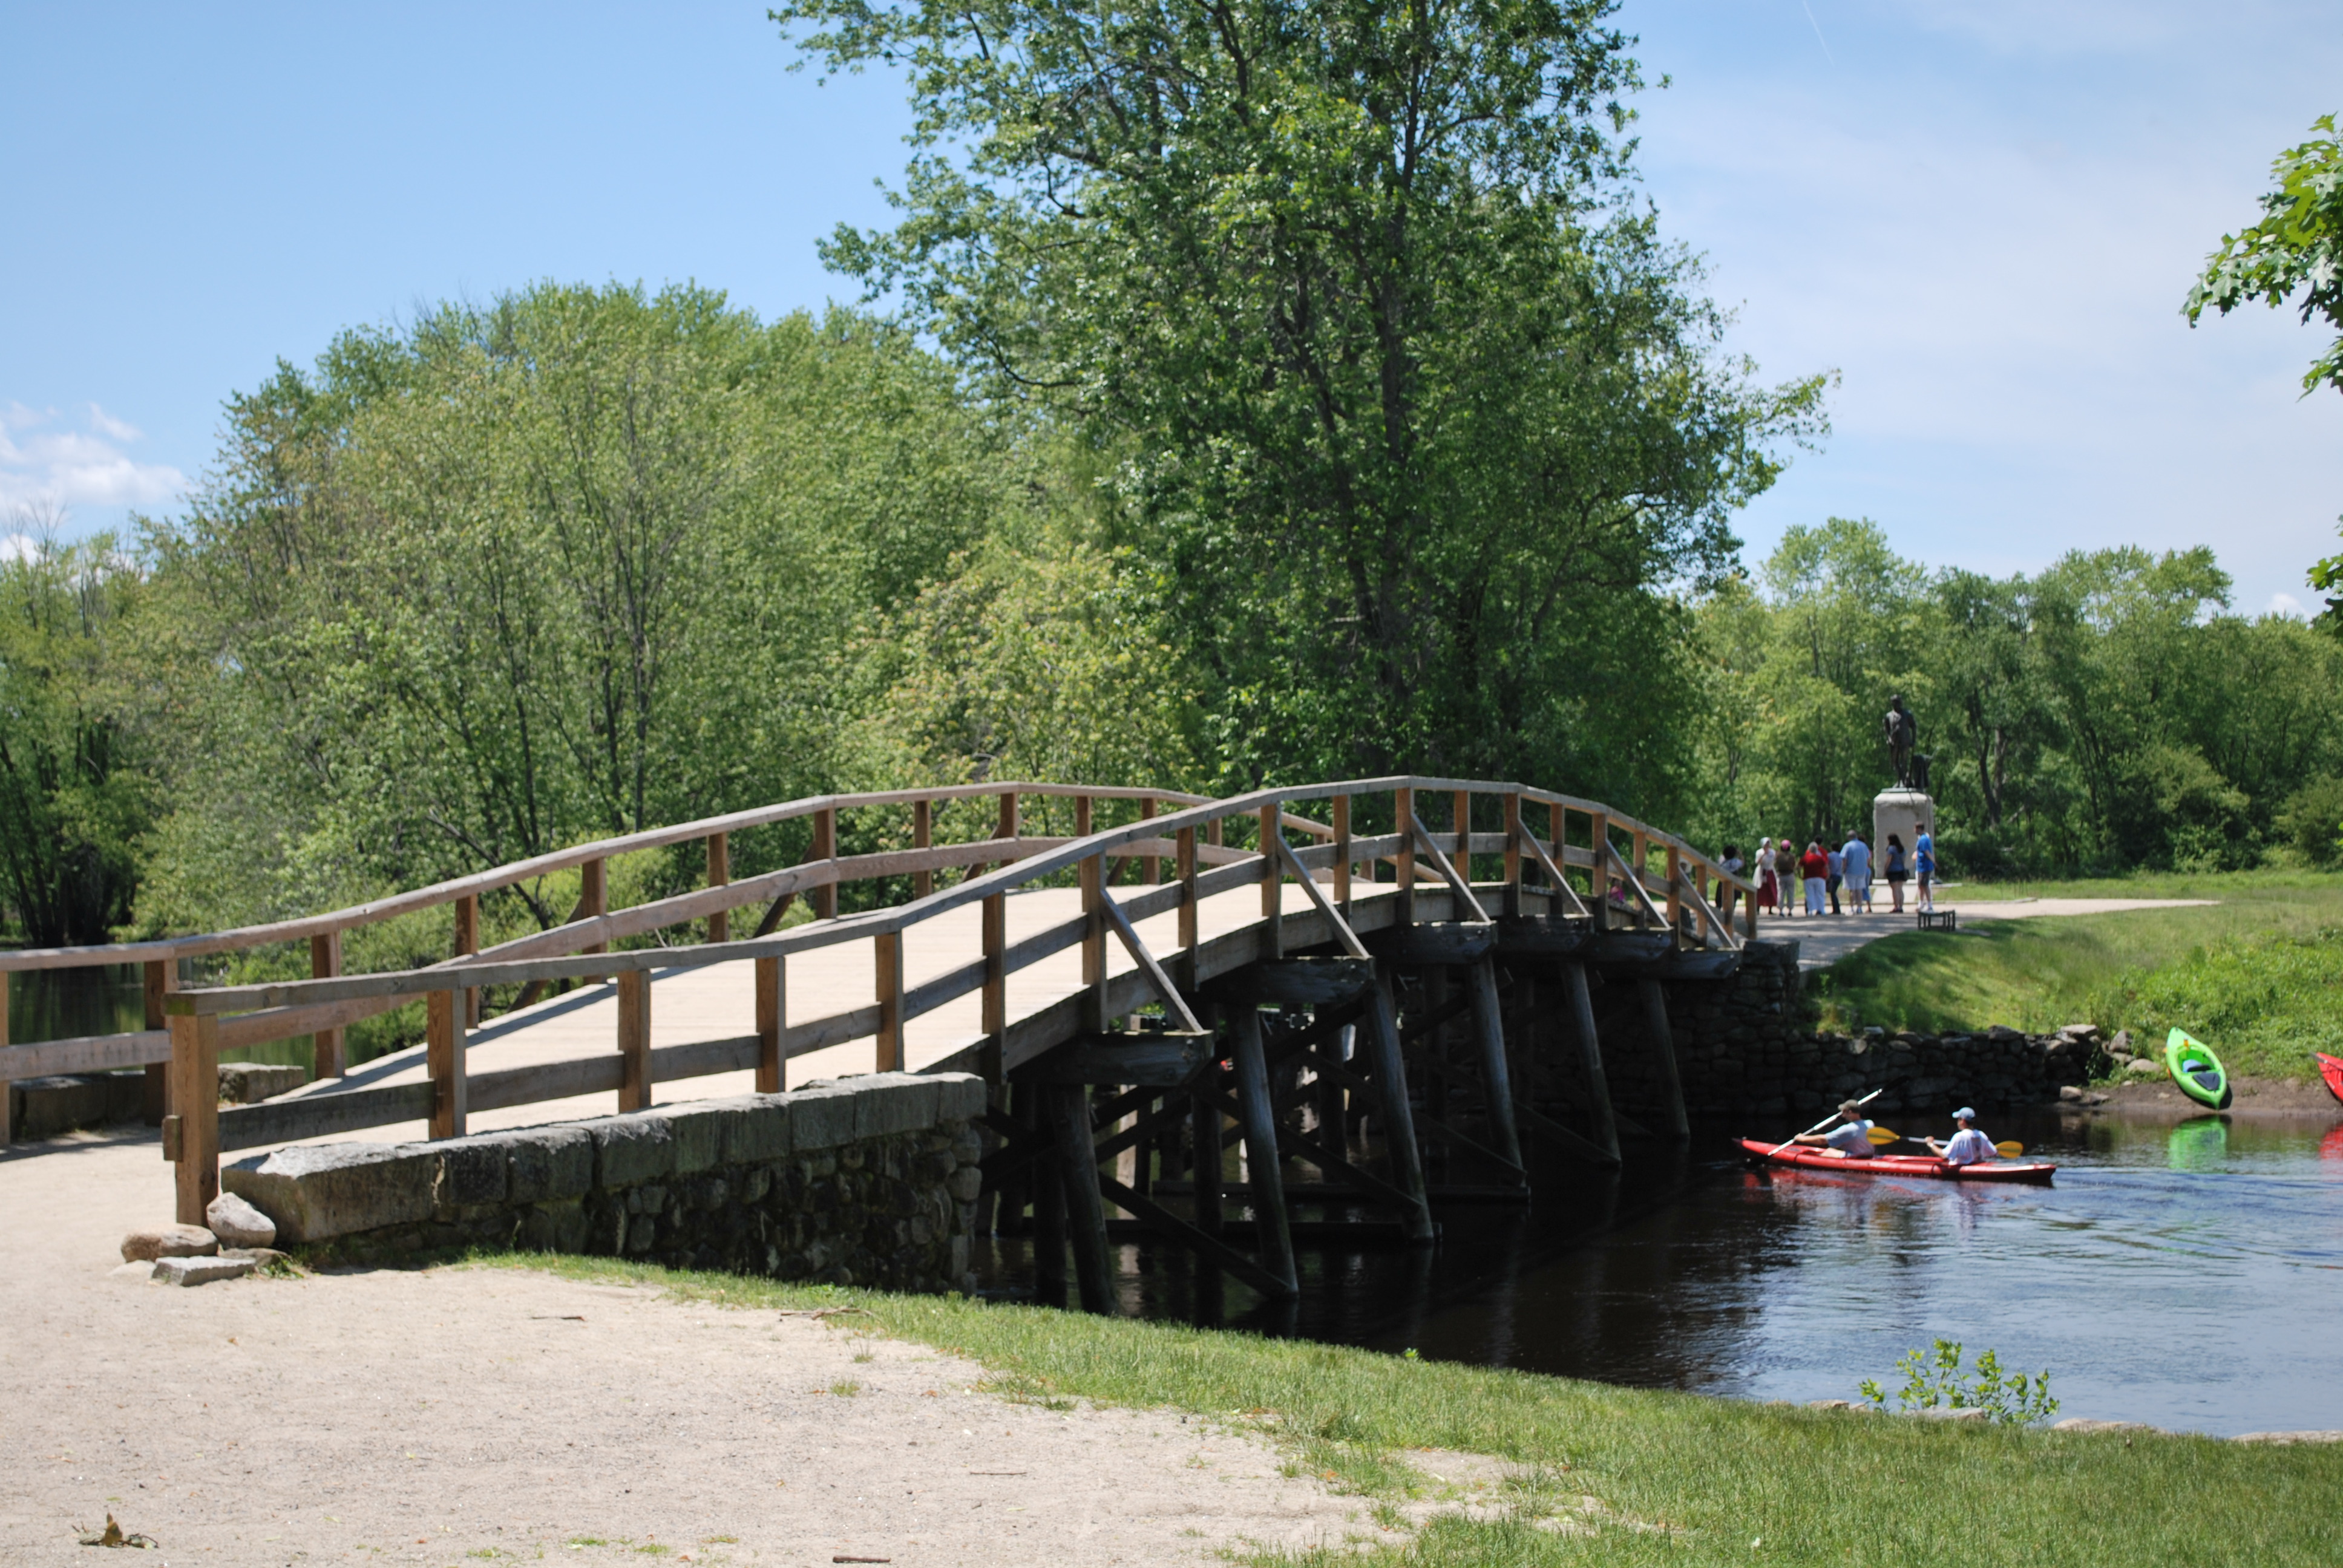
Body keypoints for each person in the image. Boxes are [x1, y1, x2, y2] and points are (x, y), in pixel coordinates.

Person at [1795, 1101, 1878, 1159]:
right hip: (1869, 1155)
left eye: (1844, 1112)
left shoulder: (1848, 1129)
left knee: (1829, 1152)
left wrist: (1802, 1139)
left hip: (1855, 1157)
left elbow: (1823, 1140)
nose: (1842, 1115)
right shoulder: (1870, 1123)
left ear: (1849, 1112)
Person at [1925, 1108, 1996, 1166]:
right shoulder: (1981, 1135)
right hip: (1978, 1164)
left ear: (1963, 1121)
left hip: (1966, 1167)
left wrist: (1931, 1144)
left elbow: (1944, 1156)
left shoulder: (1960, 1136)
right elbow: (1994, 1152)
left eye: (1958, 1119)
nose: (1957, 1122)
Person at [1840, 831, 1872, 913]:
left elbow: (1844, 859)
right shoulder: (1864, 845)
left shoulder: (1847, 846)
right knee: (1860, 890)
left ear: (1849, 837)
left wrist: (1843, 869)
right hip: (1862, 871)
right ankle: (1860, 908)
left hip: (1851, 871)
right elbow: (1869, 858)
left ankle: (1852, 907)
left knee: (1852, 890)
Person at [1800, 840, 1827, 916]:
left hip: (1808, 878)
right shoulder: (1820, 858)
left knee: (1810, 894)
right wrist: (1827, 875)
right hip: (1820, 878)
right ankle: (1821, 910)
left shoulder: (1805, 858)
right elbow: (1826, 867)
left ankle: (1810, 910)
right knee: (1821, 894)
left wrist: (1800, 875)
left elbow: (1798, 867)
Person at [1883, 832, 1908, 914]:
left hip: (1893, 871)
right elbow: (1904, 860)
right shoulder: (1902, 849)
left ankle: (1896, 906)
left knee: (1895, 890)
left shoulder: (1891, 849)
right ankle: (1901, 906)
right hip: (1901, 870)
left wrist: (1885, 870)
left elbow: (1889, 861)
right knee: (1900, 889)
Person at [1915, 825, 1937, 913]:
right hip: (1921, 866)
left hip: (1924, 866)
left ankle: (1929, 905)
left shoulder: (1923, 839)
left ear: (1919, 829)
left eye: (1915, 828)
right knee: (1921, 885)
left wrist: (1933, 861)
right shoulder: (1923, 838)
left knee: (1925, 885)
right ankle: (1921, 903)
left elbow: (1926, 852)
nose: (1914, 830)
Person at [1755, 840, 1778, 912]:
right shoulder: (1759, 852)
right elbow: (1757, 862)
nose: (1767, 845)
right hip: (1762, 871)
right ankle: (1758, 907)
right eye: (1766, 844)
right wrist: (1764, 855)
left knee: (1771, 889)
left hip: (1770, 871)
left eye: (1768, 844)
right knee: (1760, 890)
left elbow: (1774, 861)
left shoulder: (1772, 852)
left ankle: (1770, 908)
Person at [1825, 840, 1844, 915]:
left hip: (1833, 875)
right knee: (1833, 892)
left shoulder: (1830, 856)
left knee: (1833, 893)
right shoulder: (1841, 856)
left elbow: (1827, 866)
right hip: (1839, 876)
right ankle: (1836, 908)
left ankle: (1836, 909)